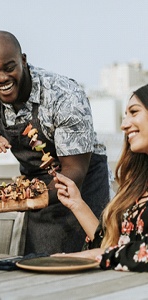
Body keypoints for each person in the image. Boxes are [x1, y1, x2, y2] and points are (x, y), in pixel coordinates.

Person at [0, 30, 110, 255]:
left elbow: (73, 172)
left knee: (86, 265)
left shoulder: (63, 95)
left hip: (81, 186)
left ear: (23, 60)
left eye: (9, 67)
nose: (1, 78)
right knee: (39, 263)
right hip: (37, 188)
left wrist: (22, 196)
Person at [54, 84, 148, 271]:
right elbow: (109, 246)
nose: (124, 124)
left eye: (134, 112)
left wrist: (93, 256)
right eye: (125, 115)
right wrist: (77, 204)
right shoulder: (137, 183)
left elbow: (108, 253)